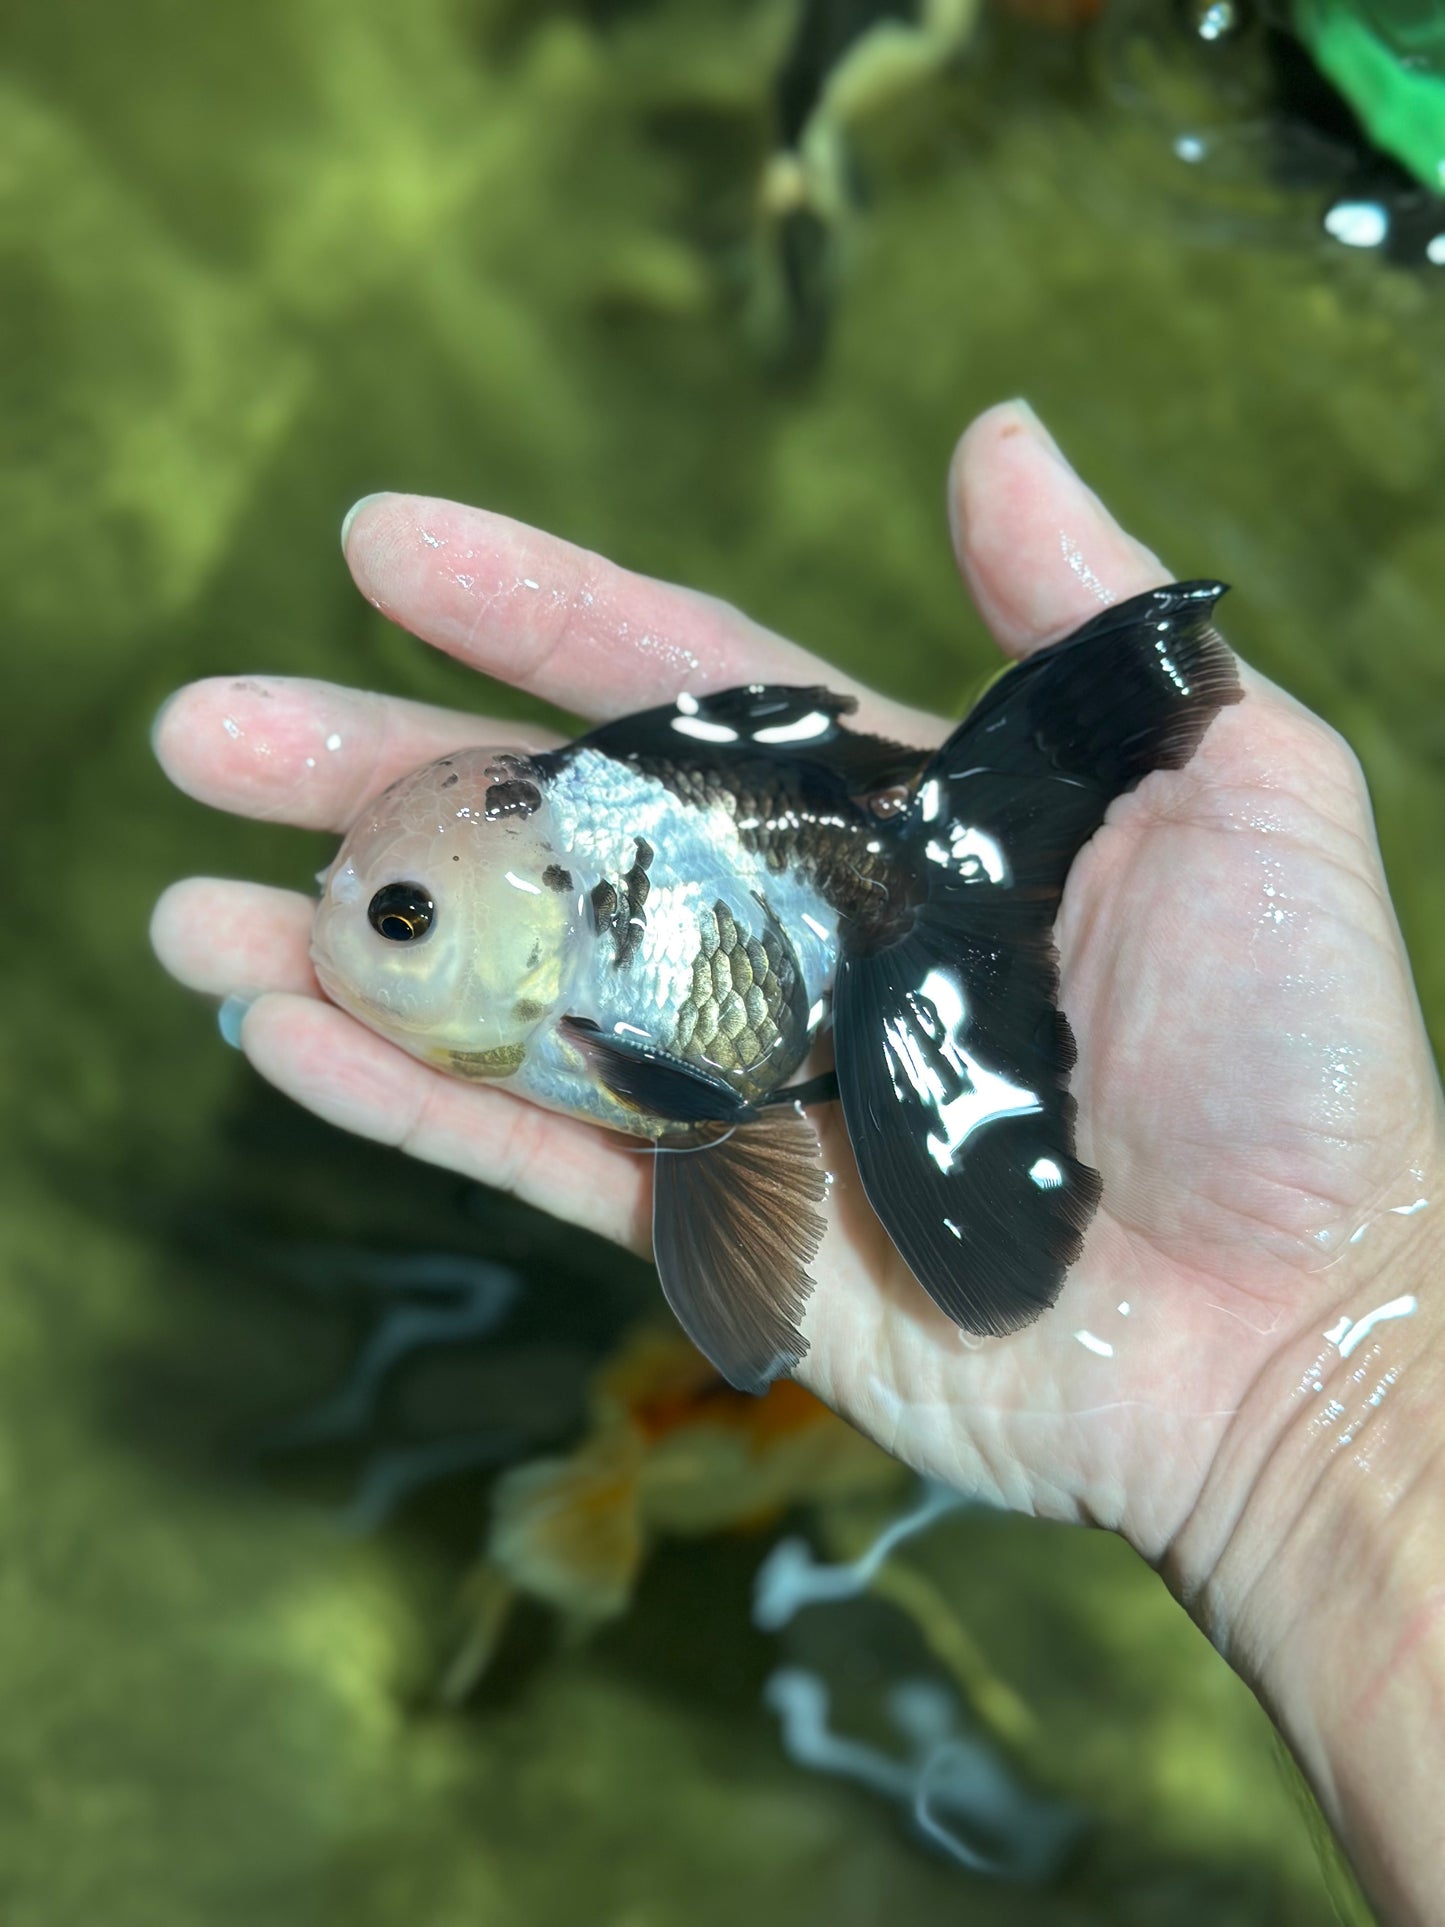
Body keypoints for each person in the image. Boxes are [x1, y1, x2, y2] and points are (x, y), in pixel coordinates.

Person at [151, 401, 1445, 1924]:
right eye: (382, 910)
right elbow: (711, 1122)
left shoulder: (635, 981)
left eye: (402, 920)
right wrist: (1323, 1410)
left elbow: (702, 1110)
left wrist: (1326, 1386)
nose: (350, 918)